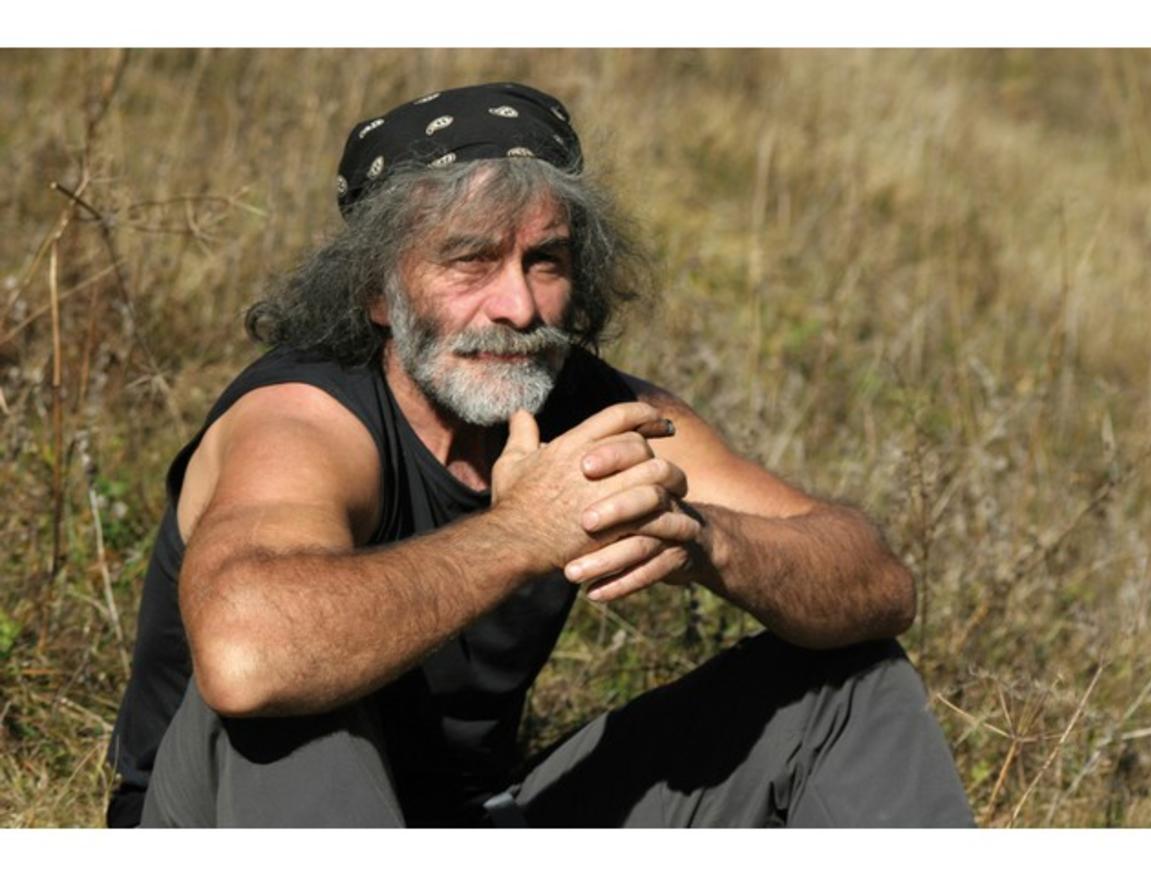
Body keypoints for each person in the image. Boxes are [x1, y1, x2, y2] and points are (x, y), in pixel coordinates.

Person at [105, 82, 974, 828]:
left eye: (545, 261)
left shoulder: (593, 408)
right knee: (294, 693)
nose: (517, 306)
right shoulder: (302, 418)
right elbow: (245, 657)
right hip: (228, 816)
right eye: (470, 260)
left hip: (471, 821)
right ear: (376, 290)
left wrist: (710, 541)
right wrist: (522, 533)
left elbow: (879, 585)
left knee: (851, 683)